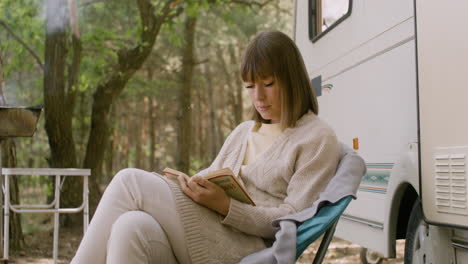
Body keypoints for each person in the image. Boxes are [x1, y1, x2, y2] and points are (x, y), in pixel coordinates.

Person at [71, 30, 340, 264]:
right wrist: (192, 185)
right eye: (250, 86)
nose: (258, 96)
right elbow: (211, 176)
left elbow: (292, 219)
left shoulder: (317, 138)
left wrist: (226, 206)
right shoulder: (243, 131)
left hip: (243, 246)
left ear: (292, 79)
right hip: (205, 230)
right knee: (129, 227)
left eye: (268, 84)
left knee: (128, 181)